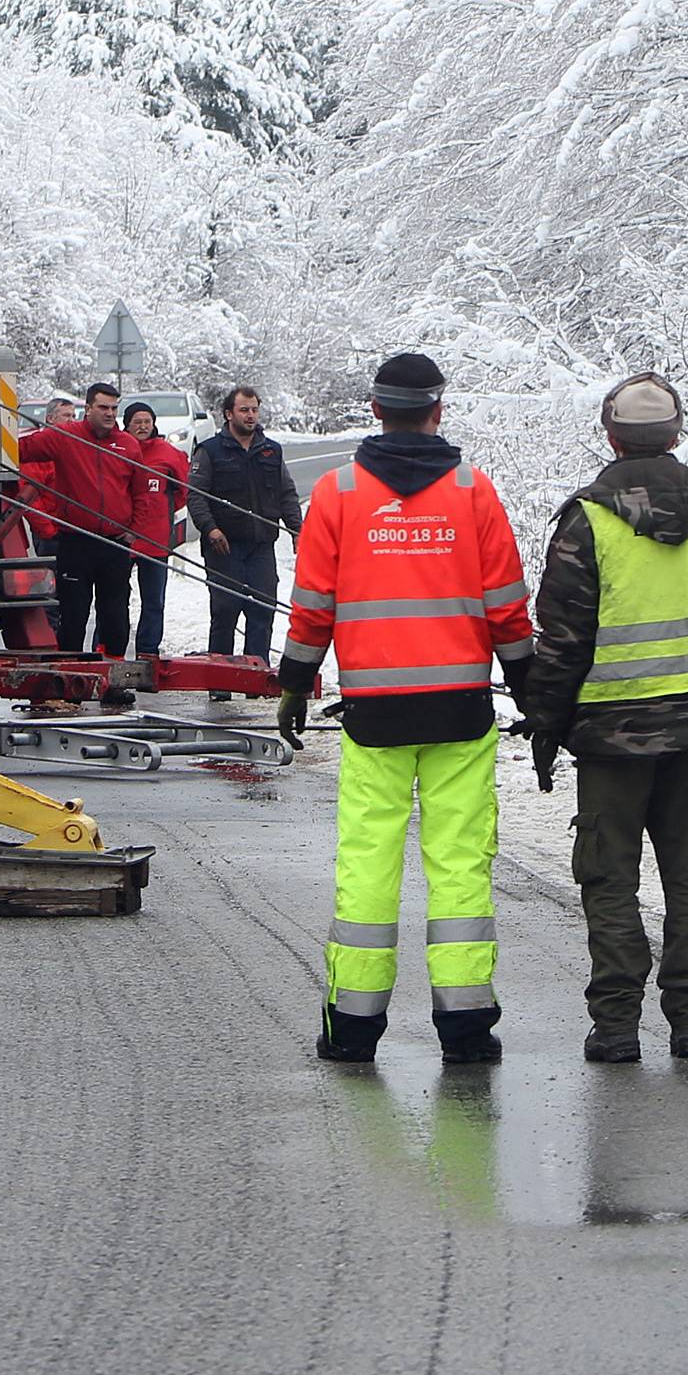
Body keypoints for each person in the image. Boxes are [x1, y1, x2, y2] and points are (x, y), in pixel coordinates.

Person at [277, 352, 532, 1067]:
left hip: (375, 714)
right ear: (438, 409)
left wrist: (296, 683)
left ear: (376, 407)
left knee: (368, 860)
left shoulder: (338, 492)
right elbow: (508, 607)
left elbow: (312, 606)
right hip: (459, 712)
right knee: (459, 866)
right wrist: (531, 687)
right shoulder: (474, 492)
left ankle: (353, 1027)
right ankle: (468, 1026)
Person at [524, 373, 688, 1064]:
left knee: (609, 873)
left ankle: (617, 1024)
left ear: (610, 435)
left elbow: (562, 639)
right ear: (677, 433)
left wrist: (546, 722)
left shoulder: (589, 518)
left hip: (610, 730)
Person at [18, 380, 140, 655]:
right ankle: (72, 675)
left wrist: (134, 529)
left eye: (114, 408)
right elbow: (20, 451)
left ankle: (114, 676)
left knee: (116, 615)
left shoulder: (128, 446)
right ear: (88, 408)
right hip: (75, 541)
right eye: (103, 407)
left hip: (115, 543)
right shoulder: (64, 437)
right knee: (73, 614)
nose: (109, 413)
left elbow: (141, 492)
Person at [188, 387, 302, 660]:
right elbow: (196, 495)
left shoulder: (271, 451)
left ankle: (256, 674)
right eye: (244, 410)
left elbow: (286, 493)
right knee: (226, 609)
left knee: (263, 609)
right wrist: (210, 529)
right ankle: (221, 679)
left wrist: (298, 530)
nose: (250, 416)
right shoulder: (210, 451)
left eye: (254, 410)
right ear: (229, 414)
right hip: (223, 547)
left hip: (261, 546)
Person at [117, 400, 190, 658]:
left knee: (154, 601)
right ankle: (108, 649)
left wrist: (161, 509)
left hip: (156, 539)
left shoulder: (167, 452)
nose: (143, 426)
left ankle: (148, 652)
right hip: (121, 538)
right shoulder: (116, 448)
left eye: (147, 421)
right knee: (114, 599)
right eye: (137, 422)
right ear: (126, 425)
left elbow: (183, 490)